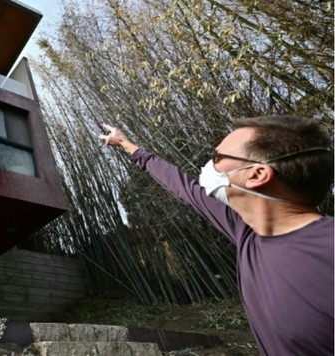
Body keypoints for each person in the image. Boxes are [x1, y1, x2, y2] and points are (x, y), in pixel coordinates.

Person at [97, 115, 334, 356]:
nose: (209, 166)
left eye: (218, 158)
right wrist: (127, 145)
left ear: (256, 175)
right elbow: (185, 189)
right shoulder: (247, 232)